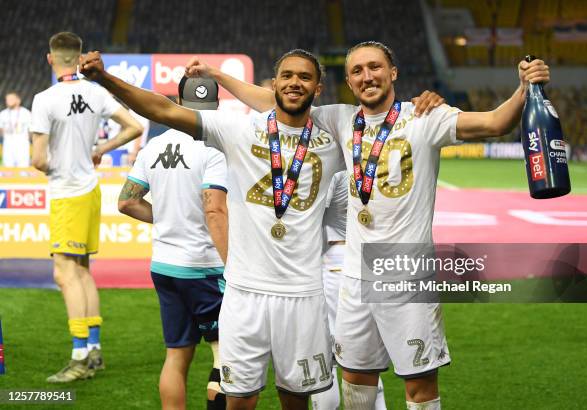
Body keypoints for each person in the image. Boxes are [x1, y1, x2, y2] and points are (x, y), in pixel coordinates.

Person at [185, 41, 550, 410]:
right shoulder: (340, 119)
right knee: (355, 379)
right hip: (356, 277)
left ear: (393, 73)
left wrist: (523, 89)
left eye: (375, 67)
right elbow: (276, 102)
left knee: (419, 386)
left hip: (406, 272)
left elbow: (493, 122)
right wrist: (216, 75)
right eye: (357, 71)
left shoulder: (425, 117)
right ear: (348, 80)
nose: (367, 76)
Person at [80, 48, 441, 410]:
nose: (293, 84)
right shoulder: (237, 130)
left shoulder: (335, 135)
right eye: (286, 76)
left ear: (319, 90)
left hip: (304, 294)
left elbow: (375, 123)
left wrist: (421, 105)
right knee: (239, 399)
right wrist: (105, 79)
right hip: (244, 294)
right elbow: (162, 109)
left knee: (297, 399)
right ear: (274, 84)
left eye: (304, 78)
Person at [30, 31, 143, 383]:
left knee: (64, 273)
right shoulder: (96, 92)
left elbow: (37, 159)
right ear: (78, 59)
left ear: (51, 59)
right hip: (91, 191)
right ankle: (93, 352)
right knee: (82, 271)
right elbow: (135, 126)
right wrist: (100, 151)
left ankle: (79, 357)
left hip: (68, 194)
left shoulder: (44, 99)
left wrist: (55, 165)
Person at [118, 75, 228, 410]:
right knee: (226, 355)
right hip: (204, 267)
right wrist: (234, 264)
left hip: (165, 266)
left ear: (177, 104)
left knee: (176, 357)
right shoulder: (216, 147)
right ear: (215, 108)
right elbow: (214, 208)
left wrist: (167, 216)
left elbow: (127, 201)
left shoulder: (154, 146)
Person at [312, 170, 386, 410]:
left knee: (325, 361)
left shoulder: (332, 163)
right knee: (366, 360)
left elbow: (312, 219)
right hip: (372, 261)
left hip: (334, 260)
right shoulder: (375, 158)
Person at [0, 92, 32, 167]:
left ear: (18, 100)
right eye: (7, 99)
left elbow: (31, 130)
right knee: (8, 171)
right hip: (8, 146)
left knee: (23, 170)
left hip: (22, 146)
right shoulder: (2, 114)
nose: (8, 101)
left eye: (11, 99)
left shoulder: (26, 113)